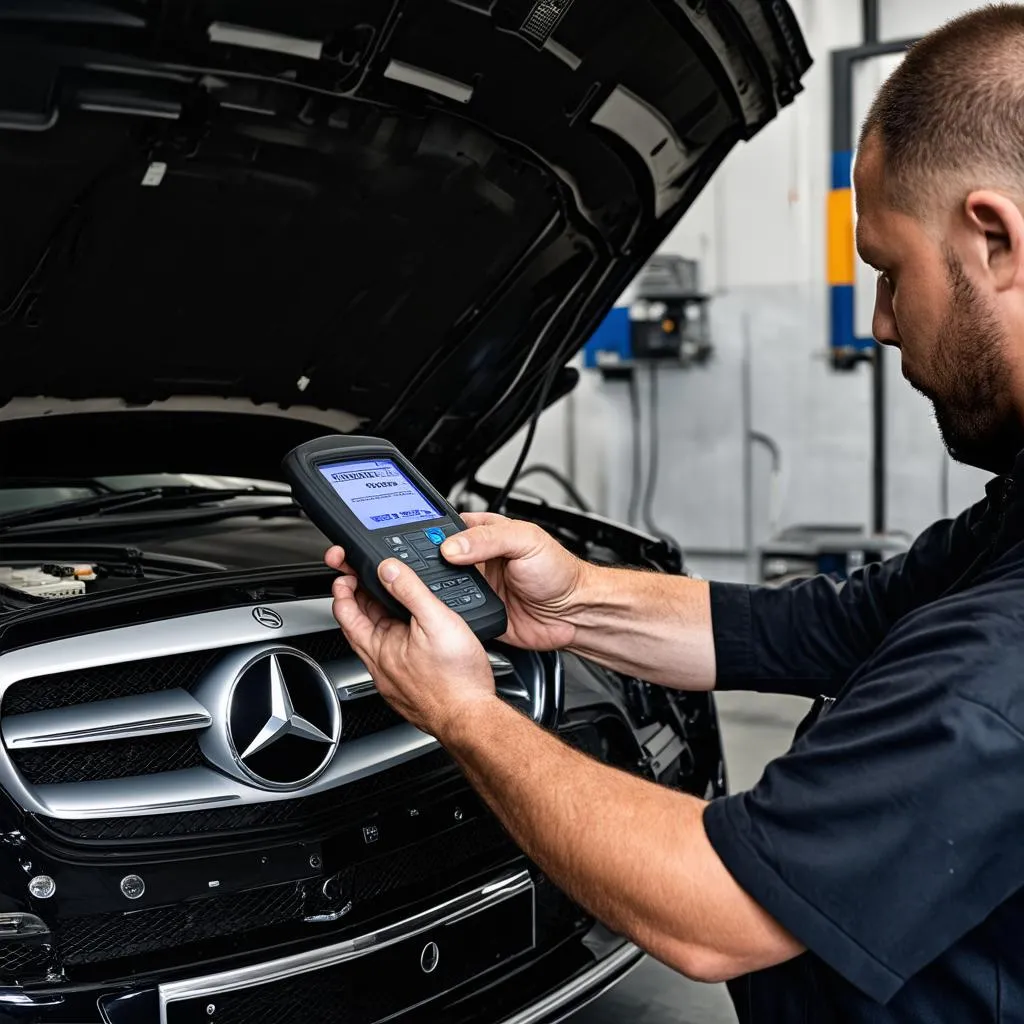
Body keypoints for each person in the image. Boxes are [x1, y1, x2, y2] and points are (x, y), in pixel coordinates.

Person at [326, 7, 1024, 1021]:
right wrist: (574, 602)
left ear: (994, 238)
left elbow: (716, 910)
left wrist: (465, 713)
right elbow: (820, 624)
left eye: (886, 271)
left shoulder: (1005, 652)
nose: (877, 323)